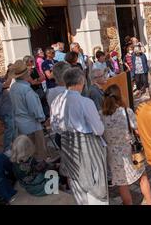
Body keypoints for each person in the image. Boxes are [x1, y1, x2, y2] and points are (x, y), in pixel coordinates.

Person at [50, 67, 108, 205]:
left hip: (67, 145)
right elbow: (98, 130)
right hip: (87, 146)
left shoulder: (56, 101)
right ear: (81, 81)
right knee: (95, 184)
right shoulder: (85, 102)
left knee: (76, 183)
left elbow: (54, 127)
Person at [101, 85, 151, 205]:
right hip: (130, 151)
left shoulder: (101, 115)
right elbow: (138, 130)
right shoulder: (126, 111)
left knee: (122, 184)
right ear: (119, 96)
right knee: (142, 178)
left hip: (113, 154)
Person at [8, 60, 49, 161]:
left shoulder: (13, 87)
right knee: (38, 153)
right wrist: (42, 120)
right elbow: (34, 110)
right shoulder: (26, 89)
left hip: (20, 124)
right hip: (32, 125)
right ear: (25, 73)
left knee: (25, 153)